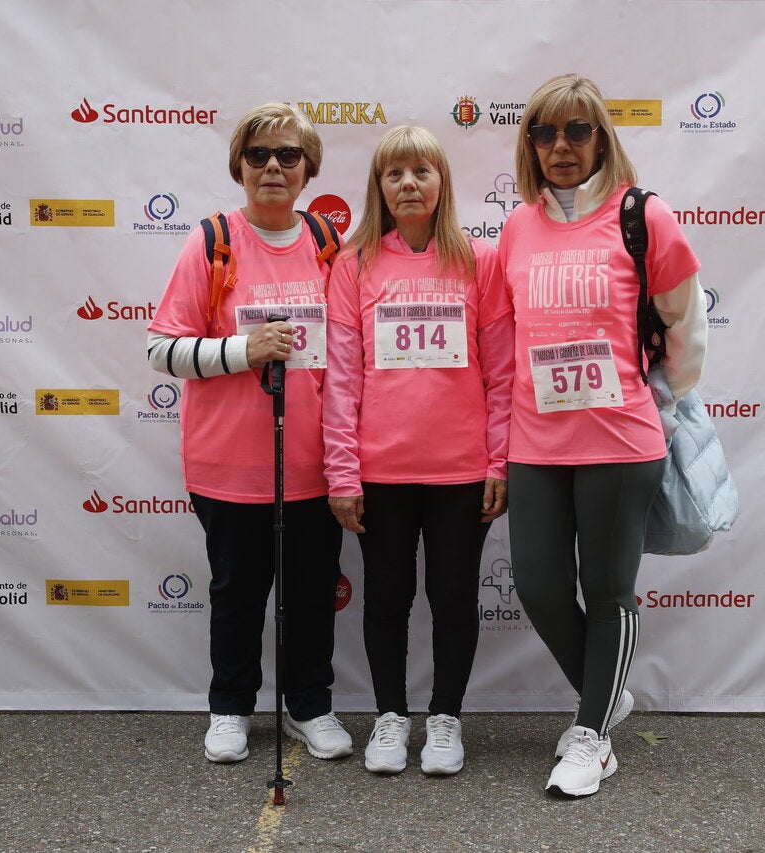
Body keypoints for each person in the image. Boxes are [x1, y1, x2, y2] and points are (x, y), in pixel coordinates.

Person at [498, 74, 707, 797]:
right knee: (538, 585)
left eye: (576, 131)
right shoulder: (517, 227)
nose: (560, 146)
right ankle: (606, 695)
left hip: (620, 441)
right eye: (545, 132)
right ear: (530, 144)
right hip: (535, 440)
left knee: (609, 588)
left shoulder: (643, 216)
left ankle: (593, 737)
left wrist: (662, 399)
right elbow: (507, 335)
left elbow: (685, 325)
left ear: (601, 138)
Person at [147, 103, 352, 765]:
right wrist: (243, 350)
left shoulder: (327, 242)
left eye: (288, 155)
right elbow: (161, 349)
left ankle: (309, 706)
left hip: (312, 465)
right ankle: (231, 706)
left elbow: (348, 356)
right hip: (228, 466)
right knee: (236, 594)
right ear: (239, 165)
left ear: (308, 169)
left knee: (311, 595)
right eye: (258, 154)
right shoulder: (211, 241)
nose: (272, 166)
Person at [323, 126, 514, 776]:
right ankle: (389, 716)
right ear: (378, 186)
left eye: (421, 171)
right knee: (387, 597)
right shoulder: (353, 266)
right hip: (381, 471)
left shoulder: (480, 261)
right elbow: (342, 379)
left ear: (441, 182)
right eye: (394, 173)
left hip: (461, 472)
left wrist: (498, 462)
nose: (408, 183)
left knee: (453, 596)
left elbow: (502, 373)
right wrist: (343, 472)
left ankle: (445, 718)